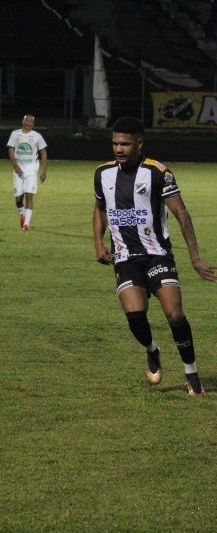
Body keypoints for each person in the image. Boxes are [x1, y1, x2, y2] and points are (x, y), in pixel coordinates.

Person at [92, 116, 216, 394]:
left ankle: (191, 371)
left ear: (139, 143)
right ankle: (152, 349)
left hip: (158, 254)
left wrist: (195, 258)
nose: (118, 149)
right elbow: (99, 209)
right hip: (125, 257)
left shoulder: (159, 172)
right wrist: (98, 244)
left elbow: (181, 213)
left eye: (125, 144)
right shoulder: (103, 174)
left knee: (174, 314)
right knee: (135, 315)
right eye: (115, 143)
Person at [7, 114, 48, 230]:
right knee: (18, 199)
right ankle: (22, 214)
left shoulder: (37, 136)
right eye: (27, 120)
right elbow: (10, 149)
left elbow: (43, 152)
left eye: (31, 121)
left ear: (33, 124)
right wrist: (15, 166)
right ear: (23, 121)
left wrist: (44, 170)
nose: (28, 122)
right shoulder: (15, 134)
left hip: (31, 169)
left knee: (29, 196)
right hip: (18, 170)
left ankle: (26, 224)